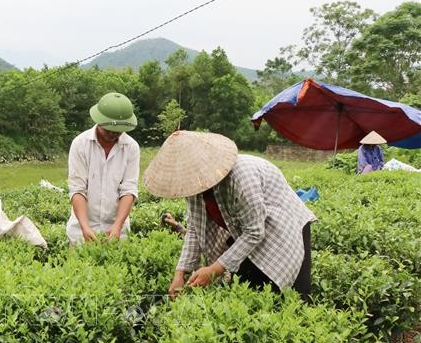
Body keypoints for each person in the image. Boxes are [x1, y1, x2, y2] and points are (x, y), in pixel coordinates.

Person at [144, 131, 316, 302]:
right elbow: (195, 230)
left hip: (284, 227)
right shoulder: (193, 187)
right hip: (246, 230)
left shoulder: (241, 178)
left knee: (293, 296)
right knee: (248, 292)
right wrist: (180, 273)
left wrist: (214, 269)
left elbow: (254, 231)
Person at [66, 92, 140, 244]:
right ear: (98, 121)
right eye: (108, 129)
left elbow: (128, 189)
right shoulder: (80, 144)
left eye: (118, 130)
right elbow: (77, 189)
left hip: (118, 231)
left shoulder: (131, 147)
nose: (113, 134)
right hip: (81, 230)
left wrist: (118, 226)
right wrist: (85, 227)